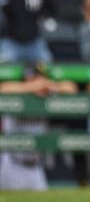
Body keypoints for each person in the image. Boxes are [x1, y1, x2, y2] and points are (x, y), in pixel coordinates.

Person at [0, 63, 77, 191]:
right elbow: (3, 88)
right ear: (27, 78)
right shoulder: (17, 92)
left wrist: (50, 87)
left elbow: (71, 88)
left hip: (36, 167)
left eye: (41, 78)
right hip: (13, 164)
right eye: (35, 78)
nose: (39, 81)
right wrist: (32, 87)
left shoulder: (46, 94)